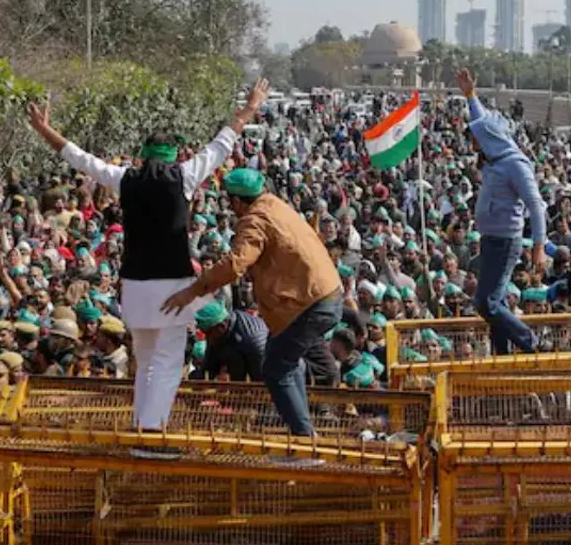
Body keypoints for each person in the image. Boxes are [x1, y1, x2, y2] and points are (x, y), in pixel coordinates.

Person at [27, 78, 269, 458]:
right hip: (173, 285)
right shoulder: (185, 176)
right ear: (174, 156)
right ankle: (153, 436)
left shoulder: (126, 179)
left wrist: (44, 130)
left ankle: (142, 431)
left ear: (143, 155)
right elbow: (223, 144)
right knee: (168, 362)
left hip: (135, 287)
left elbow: (79, 158)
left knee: (145, 362)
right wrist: (250, 108)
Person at [162, 167, 342, 453]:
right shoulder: (275, 205)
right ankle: (303, 431)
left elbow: (236, 264)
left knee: (275, 368)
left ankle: (305, 442)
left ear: (235, 202)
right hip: (317, 296)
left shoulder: (255, 219)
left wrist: (193, 290)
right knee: (284, 358)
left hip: (309, 302)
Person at [453, 67, 548, 354]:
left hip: (506, 241)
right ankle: (502, 351)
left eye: (476, 138)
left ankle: (532, 343)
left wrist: (540, 246)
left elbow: (536, 206)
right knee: (496, 300)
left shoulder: (515, 164)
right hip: (490, 238)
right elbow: (482, 120)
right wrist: (470, 95)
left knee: (485, 303)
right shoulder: (495, 154)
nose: (472, 141)